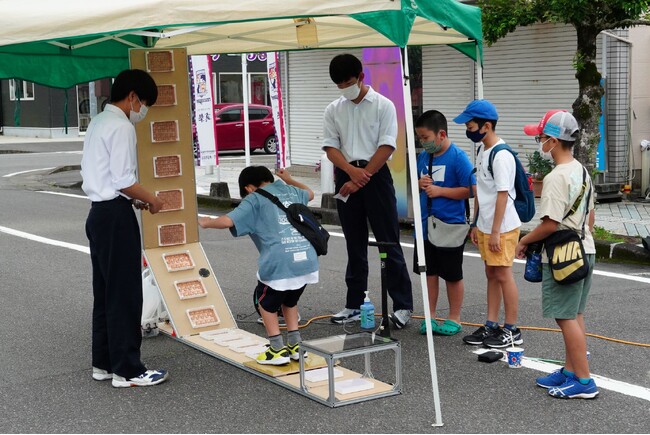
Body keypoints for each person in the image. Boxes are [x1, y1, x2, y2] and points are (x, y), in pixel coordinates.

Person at [81, 69, 168, 388]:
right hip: (115, 218)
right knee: (125, 294)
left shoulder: (98, 122)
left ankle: (104, 363)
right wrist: (152, 199)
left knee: (105, 292)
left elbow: (107, 178)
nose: (142, 111)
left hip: (99, 213)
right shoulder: (121, 126)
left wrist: (133, 198)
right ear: (132, 97)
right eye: (143, 103)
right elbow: (123, 180)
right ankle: (128, 370)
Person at [323, 53, 413, 328]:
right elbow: (330, 147)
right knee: (354, 243)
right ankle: (354, 304)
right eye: (339, 85)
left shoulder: (384, 105)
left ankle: (402, 305)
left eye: (348, 82)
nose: (344, 88)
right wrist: (351, 173)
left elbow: (387, 146)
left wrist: (362, 176)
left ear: (361, 77)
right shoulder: (333, 109)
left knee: (388, 241)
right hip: (346, 176)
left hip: (376, 175)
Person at [198, 166, 318, 366]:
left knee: (265, 303)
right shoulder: (291, 190)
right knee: (289, 301)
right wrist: (289, 179)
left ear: (248, 187)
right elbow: (311, 193)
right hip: (306, 259)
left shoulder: (254, 198)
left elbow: (227, 221)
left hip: (279, 262)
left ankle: (276, 349)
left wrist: (206, 222)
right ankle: (296, 346)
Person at [516, 110, 598, 399]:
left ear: (552, 140)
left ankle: (584, 381)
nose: (539, 143)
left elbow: (549, 224)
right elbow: (590, 218)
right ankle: (571, 370)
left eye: (540, 138)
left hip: (563, 255)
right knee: (574, 314)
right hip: (585, 249)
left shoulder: (555, 177)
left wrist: (524, 241)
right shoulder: (582, 171)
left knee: (564, 317)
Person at [453, 99, 523, 348]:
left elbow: (503, 195)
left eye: (470, 125)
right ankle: (491, 324)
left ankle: (512, 329)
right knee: (491, 273)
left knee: (503, 274)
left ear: (486, 126)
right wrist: (475, 224)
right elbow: (481, 191)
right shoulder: (483, 150)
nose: (468, 130)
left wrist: (494, 232)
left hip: (501, 227)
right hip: (486, 225)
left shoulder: (501, 155)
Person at [414, 110, 475, 336]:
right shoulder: (424, 157)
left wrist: (441, 191)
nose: (423, 142)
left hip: (450, 225)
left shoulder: (457, 157)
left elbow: (471, 190)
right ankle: (429, 316)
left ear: (441, 134)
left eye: (426, 138)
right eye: (420, 138)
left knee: (452, 274)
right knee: (428, 272)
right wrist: (419, 183)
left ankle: (454, 317)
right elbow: (416, 183)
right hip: (424, 225)